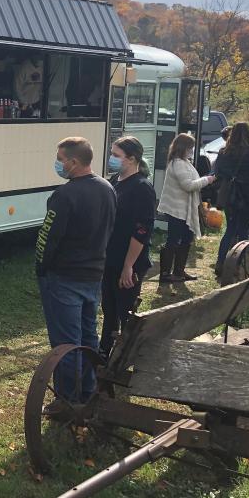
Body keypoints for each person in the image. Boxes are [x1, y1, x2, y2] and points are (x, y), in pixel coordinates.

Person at [35, 137, 116, 403]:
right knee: (87, 337)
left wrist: (41, 268)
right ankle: (88, 390)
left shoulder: (64, 196)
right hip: (93, 276)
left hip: (64, 279)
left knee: (66, 344)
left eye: (60, 159)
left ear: (74, 162)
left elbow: (47, 239)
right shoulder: (107, 189)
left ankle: (68, 400)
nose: (58, 164)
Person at [100, 137, 156, 356]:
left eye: (116, 155)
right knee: (109, 308)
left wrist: (128, 266)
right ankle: (105, 350)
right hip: (110, 258)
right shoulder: (115, 180)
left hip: (129, 261)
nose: (112, 159)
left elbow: (142, 230)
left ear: (132, 159)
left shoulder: (142, 188)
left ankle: (128, 354)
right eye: (111, 154)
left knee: (126, 310)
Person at [157, 133, 216, 283]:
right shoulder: (177, 163)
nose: (192, 150)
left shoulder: (185, 162)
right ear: (183, 147)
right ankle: (165, 274)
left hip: (186, 208)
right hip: (176, 209)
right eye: (190, 147)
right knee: (173, 240)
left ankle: (179, 271)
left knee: (186, 239)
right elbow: (188, 185)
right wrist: (207, 180)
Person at [215, 122, 249, 269]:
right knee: (243, 229)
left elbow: (218, 172)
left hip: (230, 193)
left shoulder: (224, 151)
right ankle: (238, 263)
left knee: (230, 229)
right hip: (248, 193)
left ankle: (221, 262)